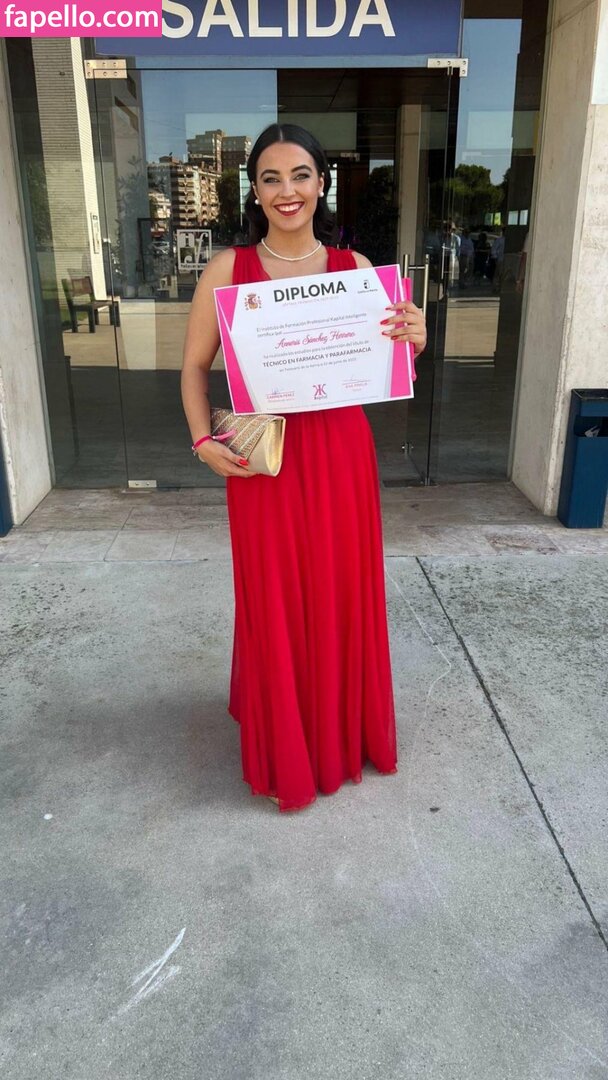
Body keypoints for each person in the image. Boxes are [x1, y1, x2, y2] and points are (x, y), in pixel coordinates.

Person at [181, 124, 427, 813]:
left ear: (321, 183)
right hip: (265, 460)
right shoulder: (228, 270)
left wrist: (414, 340)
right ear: (254, 192)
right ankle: (288, 739)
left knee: (341, 590)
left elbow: (387, 363)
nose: (286, 191)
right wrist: (202, 441)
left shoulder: (355, 267)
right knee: (275, 595)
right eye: (270, 178)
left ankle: (341, 731)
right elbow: (193, 369)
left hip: (341, 453)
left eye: (299, 175)